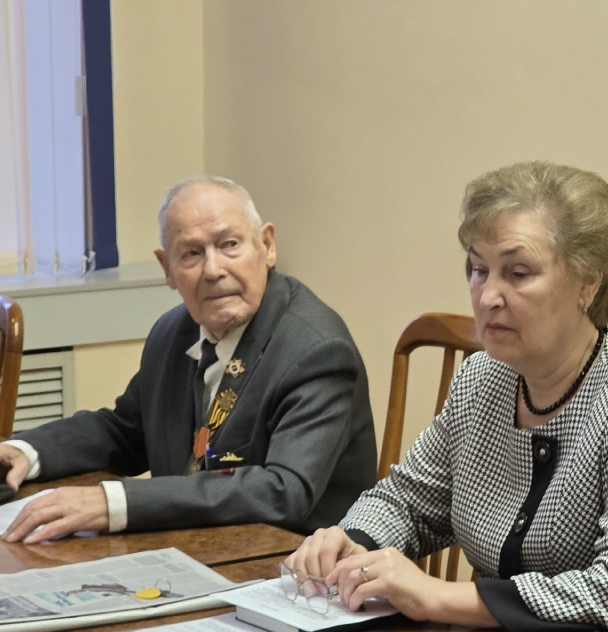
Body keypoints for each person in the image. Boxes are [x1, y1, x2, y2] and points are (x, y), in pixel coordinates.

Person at [287, 161, 608, 632]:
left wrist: (438, 596)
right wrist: (350, 544)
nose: (488, 296)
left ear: (588, 282)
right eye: (477, 269)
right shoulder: (483, 378)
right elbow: (409, 501)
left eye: (518, 273)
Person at [0, 176, 377, 541]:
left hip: (295, 566)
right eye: (192, 253)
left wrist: (115, 503)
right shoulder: (172, 332)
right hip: (193, 547)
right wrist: (26, 451)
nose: (213, 270)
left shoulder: (317, 350)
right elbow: (127, 432)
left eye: (229, 245)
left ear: (267, 246)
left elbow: (282, 491)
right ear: (167, 268)